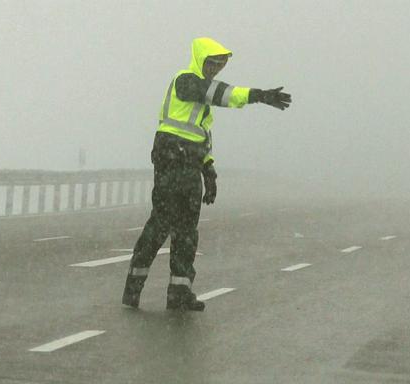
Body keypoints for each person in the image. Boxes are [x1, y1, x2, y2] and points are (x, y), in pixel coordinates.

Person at [122, 37, 292, 310]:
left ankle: (179, 293)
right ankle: (133, 289)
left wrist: (208, 169)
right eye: (211, 63)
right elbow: (222, 94)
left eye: (219, 64)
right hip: (170, 160)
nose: (215, 68)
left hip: (189, 163)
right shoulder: (186, 80)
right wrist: (258, 95)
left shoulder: (201, 98)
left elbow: (201, 134)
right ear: (200, 60)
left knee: (186, 230)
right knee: (161, 224)